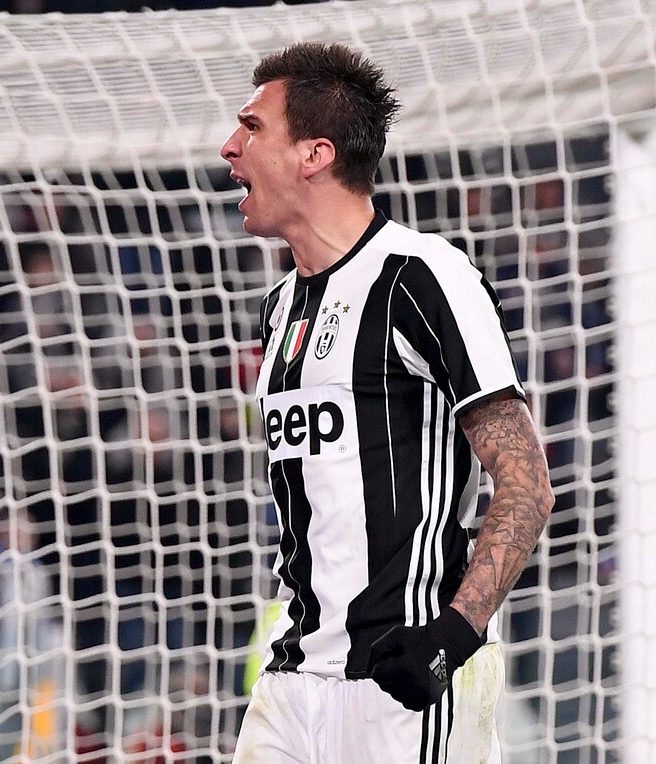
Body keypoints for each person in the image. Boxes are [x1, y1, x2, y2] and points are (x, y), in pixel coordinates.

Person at [220, 42, 554, 762]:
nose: (229, 148)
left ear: (315, 154)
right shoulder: (279, 308)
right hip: (291, 679)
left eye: (251, 128)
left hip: (403, 683)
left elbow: (527, 481)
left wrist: (450, 638)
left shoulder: (423, 277)